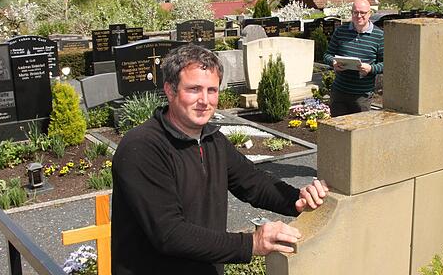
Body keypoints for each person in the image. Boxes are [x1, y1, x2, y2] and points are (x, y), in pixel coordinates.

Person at [111, 44, 328, 275]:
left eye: (212, 90)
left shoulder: (211, 139)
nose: (205, 100)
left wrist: (296, 200)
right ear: (170, 90)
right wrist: (252, 243)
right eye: (194, 89)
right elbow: (169, 233)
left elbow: (253, 183)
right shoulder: (142, 147)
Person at [323, 0, 384, 117]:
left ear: (369, 13)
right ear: (351, 13)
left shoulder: (379, 36)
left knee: (360, 132)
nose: (359, 16)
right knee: (338, 130)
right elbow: (327, 55)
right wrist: (333, 63)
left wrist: (371, 69)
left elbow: (387, 63)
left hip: (362, 95)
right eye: (355, 12)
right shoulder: (341, 31)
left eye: (363, 13)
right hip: (339, 92)